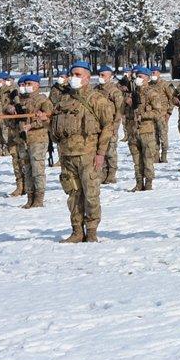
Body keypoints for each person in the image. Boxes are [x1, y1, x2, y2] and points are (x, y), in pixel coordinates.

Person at [49, 61, 116, 243]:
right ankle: (77, 231)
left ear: (87, 77)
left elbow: (108, 127)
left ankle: (92, 231)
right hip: (67, 154)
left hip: (88, 154)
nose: (74, 78)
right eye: (72, 74)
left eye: (78, 75)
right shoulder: (63, 100)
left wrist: (101, 153)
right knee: (73, 194)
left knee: (91, 194)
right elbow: (54, 124)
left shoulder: (97, 99)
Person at [12, 74, 53, 208]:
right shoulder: (21, 101)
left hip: (38, 138)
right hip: (24, 140)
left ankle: (39, 198)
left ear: (37, 85)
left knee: (37, 169)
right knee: (27, 170)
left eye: (29, 84)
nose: (26, 87)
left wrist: (32, 125)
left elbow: (48, 117)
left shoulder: (43, 100)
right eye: (25, 84)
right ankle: (30, 197)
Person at [95, 66, 125, 183]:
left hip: (110, 125)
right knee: (100, 150)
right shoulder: (96, 90)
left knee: (110, 150)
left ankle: (111, 174)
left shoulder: (114, 91)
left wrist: (115, 126)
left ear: (110, 77)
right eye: (100, 75)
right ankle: (102, 173)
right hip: (98, 126)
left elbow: (119, 110)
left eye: (103, 75)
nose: (101, 77)